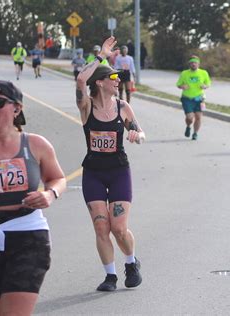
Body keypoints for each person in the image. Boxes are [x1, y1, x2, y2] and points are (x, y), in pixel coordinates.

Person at [0, 80, 66, 315]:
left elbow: (57, 178)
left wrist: (50, 194)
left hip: (28, 235)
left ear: (16, 108)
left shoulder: (36, 144)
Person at [76, 36, 145, 292]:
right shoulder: (86, 107)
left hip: (118, 171)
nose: (118, 82)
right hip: (93, 172)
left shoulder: (123, 107)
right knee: (101, 226)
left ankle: (131, 262)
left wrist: (137, 135)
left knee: (118, 227)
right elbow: (81, 80)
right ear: (101, 82)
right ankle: (110, 276)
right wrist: (100, 56)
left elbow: (140, 131)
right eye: (114, 79)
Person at [176, 55, 211, 140]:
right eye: (192, 63)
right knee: (190, 117)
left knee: (198, 117)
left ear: (198, 64)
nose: (193, 64)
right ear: (189, 64)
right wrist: (182, 86)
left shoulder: (204, 73)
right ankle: (188, 126)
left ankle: (195, 133)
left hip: (199, 99)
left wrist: (205, 86)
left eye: (195, 63)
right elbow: (178, 84)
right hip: (187, 98)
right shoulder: (184, 73)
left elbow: (208, 83)